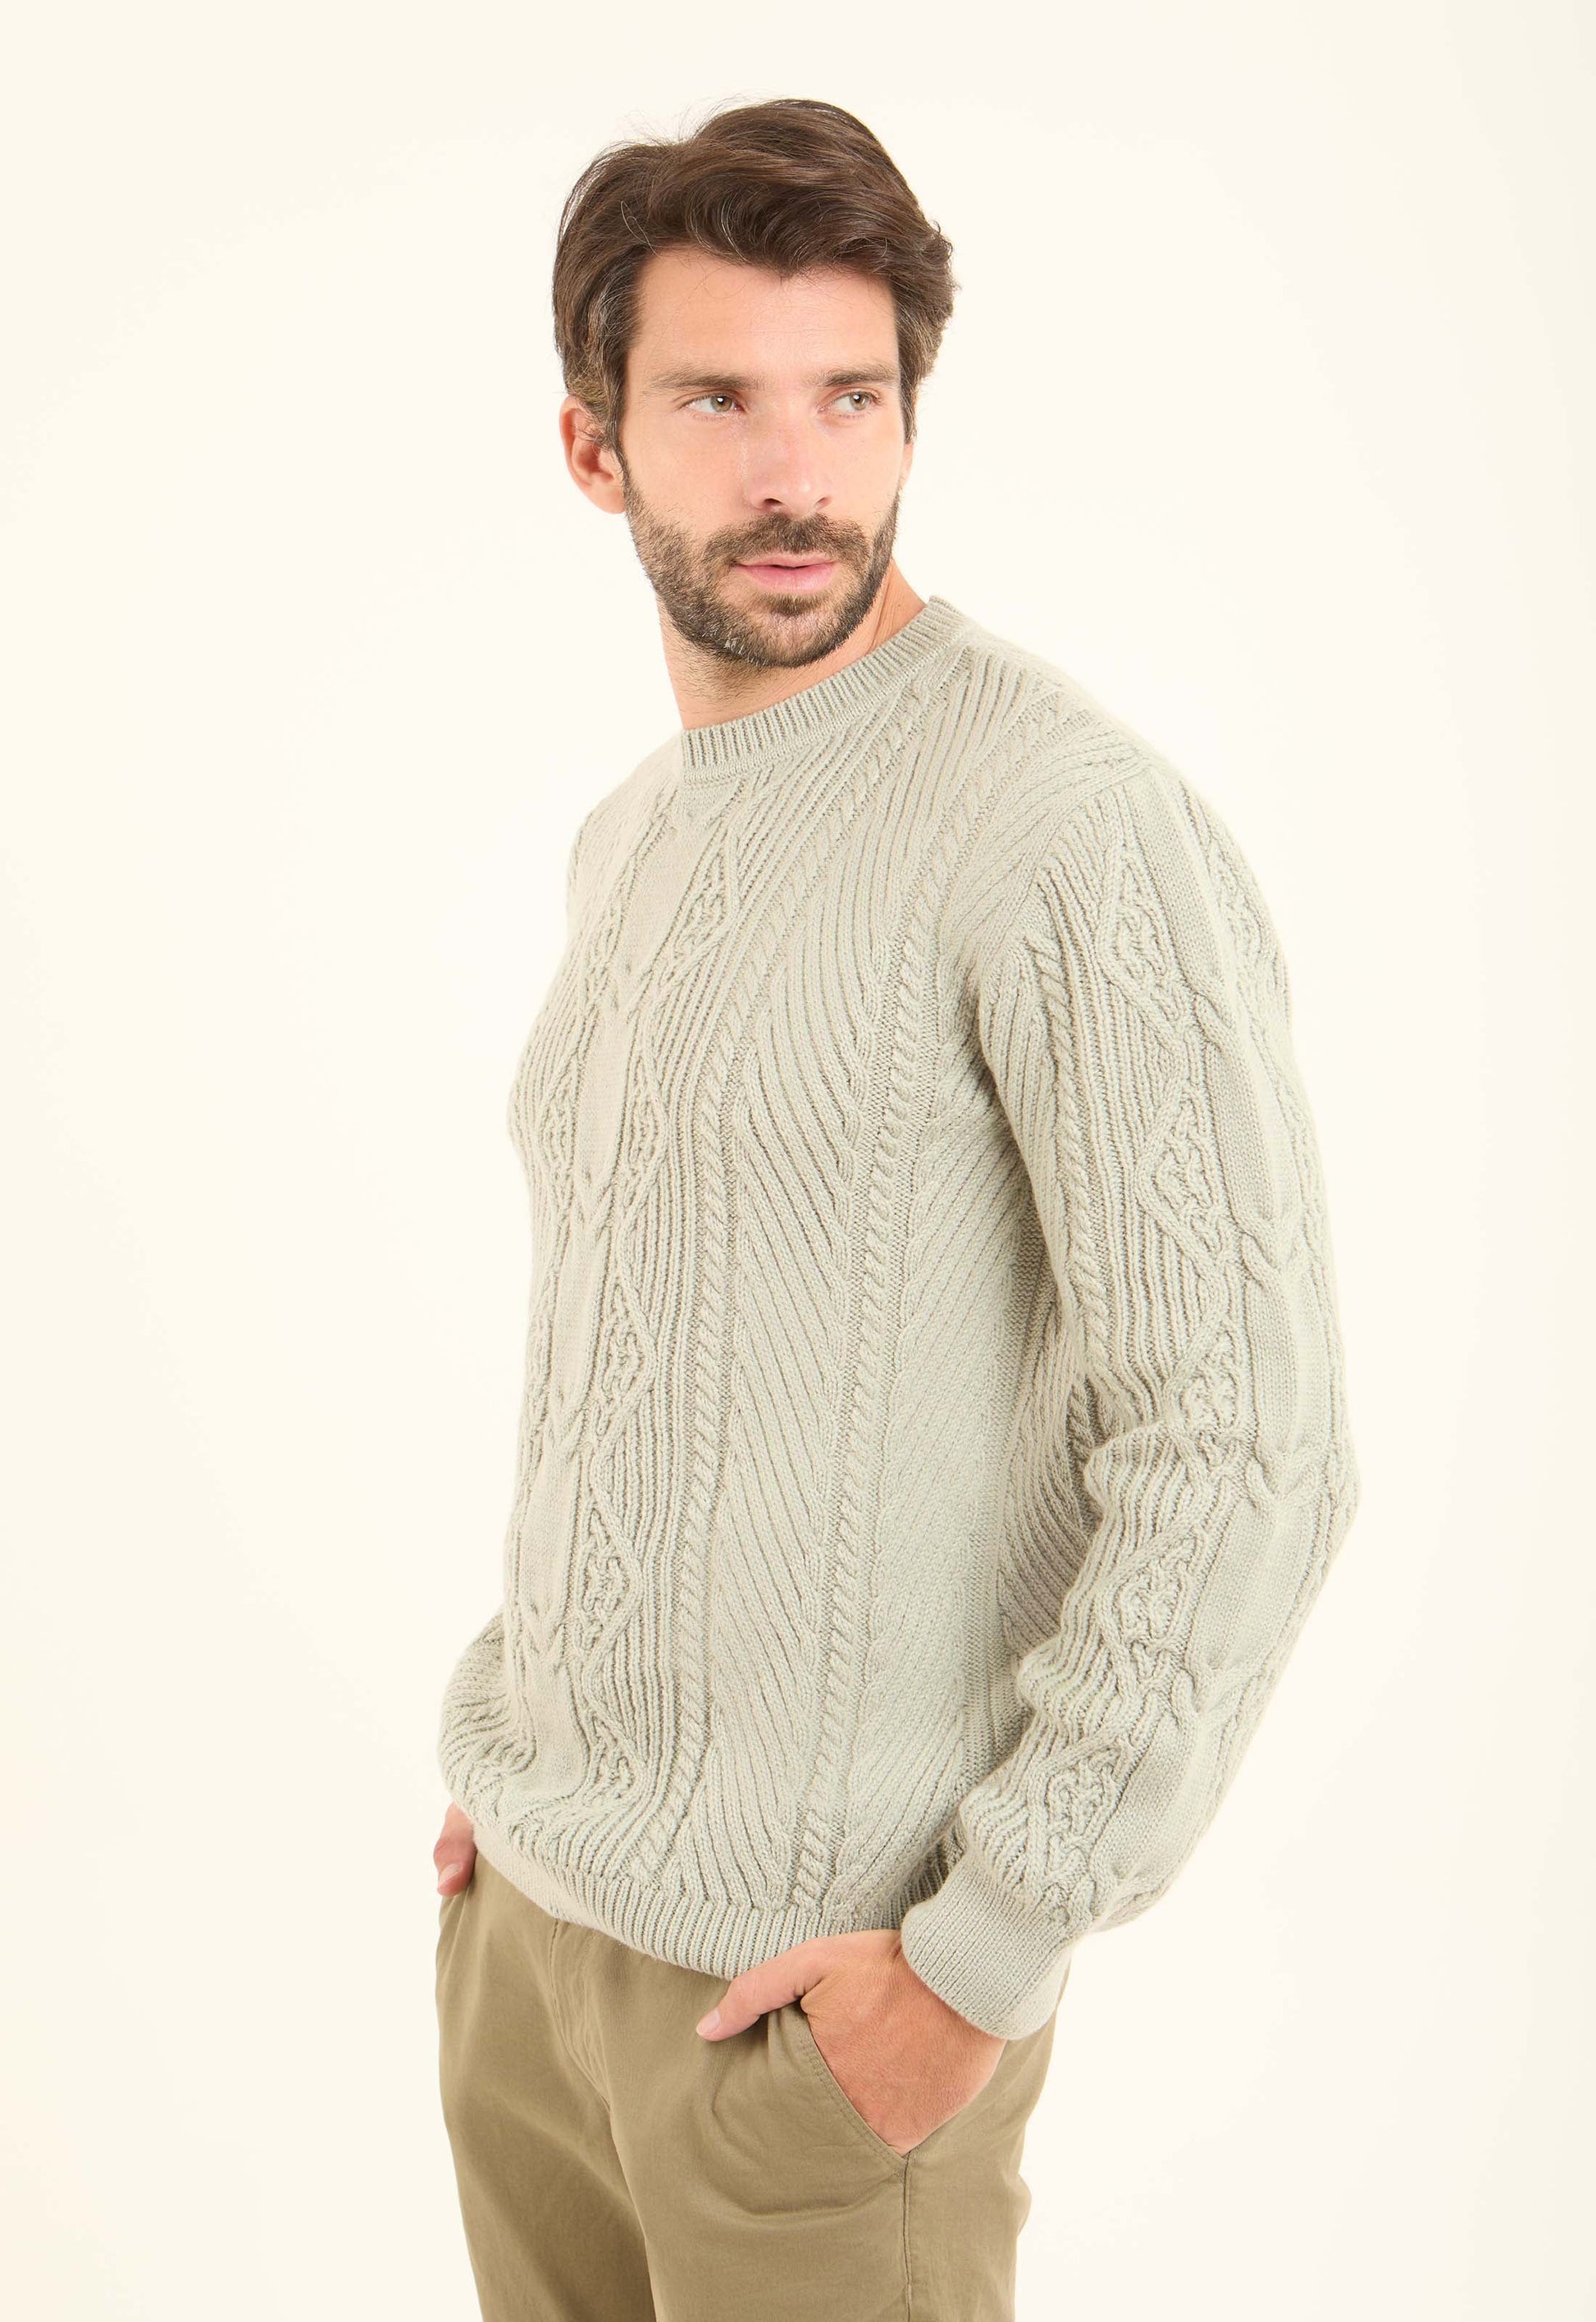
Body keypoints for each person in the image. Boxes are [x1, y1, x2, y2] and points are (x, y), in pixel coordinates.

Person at [431, 95, 1361, 2322]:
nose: (796, 473)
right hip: (528, 1963)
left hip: (820, 2023)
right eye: (717, 403)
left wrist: (981, 1957)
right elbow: (643, 1349)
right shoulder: (634, 837)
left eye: (849, 399)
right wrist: (530, 1786)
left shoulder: (1062, 826)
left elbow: (1246, 1441)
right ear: (592, 449)